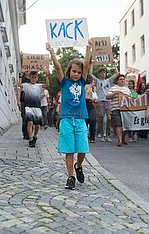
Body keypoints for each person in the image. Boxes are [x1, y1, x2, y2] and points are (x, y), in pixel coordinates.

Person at [46, 40, 92, 190]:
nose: (77, 74)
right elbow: (58, 67)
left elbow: (86, 64)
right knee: (69, 149)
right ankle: (70, 177)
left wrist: (88, 49)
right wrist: (51, 51)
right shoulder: (64, 83)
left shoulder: (83, 83)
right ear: (69, 71)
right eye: (74, 71)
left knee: (83, 149)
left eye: (79, 72)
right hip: (66, 119)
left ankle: (78, 166)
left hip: (80, 119)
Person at [89, 60, 119, 142]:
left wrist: (114, 64)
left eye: (104, 73)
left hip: (108, 101)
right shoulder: (97, 81)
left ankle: (107, 134)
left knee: (109, 118)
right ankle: (102, 134)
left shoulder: (108, 80)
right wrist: (92, 64)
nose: (103, 74)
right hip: (100, 101)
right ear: (99, 74)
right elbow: (90, 74)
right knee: (101, 118)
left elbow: (117, 74)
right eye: (101, 73)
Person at [18, 70, 49, 147]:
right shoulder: (26, 85)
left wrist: (47, 76)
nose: (34, 79)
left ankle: (35, 136)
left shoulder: (39, 86)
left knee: (37, 124)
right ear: (30, 78)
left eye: (35, 77)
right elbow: (19, 84)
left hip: (37, 108)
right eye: (32, 77)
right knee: (30, 122)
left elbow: (47, 85)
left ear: (37, 78)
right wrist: (20, 77)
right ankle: (31, 138)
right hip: (28, 107)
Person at [106, 74, 131, 146]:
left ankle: (123, 138)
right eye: (120, 79)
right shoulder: (113, 88)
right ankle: (119, 140)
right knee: (118, 124)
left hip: (126, 110)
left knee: (126, 125)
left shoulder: (127, 90)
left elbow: (132, 99)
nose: (122, 80)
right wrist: (114, 93)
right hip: (116, 109)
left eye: (123, 79)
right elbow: (107, 96)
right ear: (117, 81)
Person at [17, 71, 30, 139]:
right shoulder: (23, 79)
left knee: (30, 117)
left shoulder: (33, 79)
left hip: (31, 101)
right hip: (24, 100)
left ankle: (29, 133)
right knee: (24, 117)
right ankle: (25, 133)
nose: (28, 72)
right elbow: (19, 89)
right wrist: (18, 100)